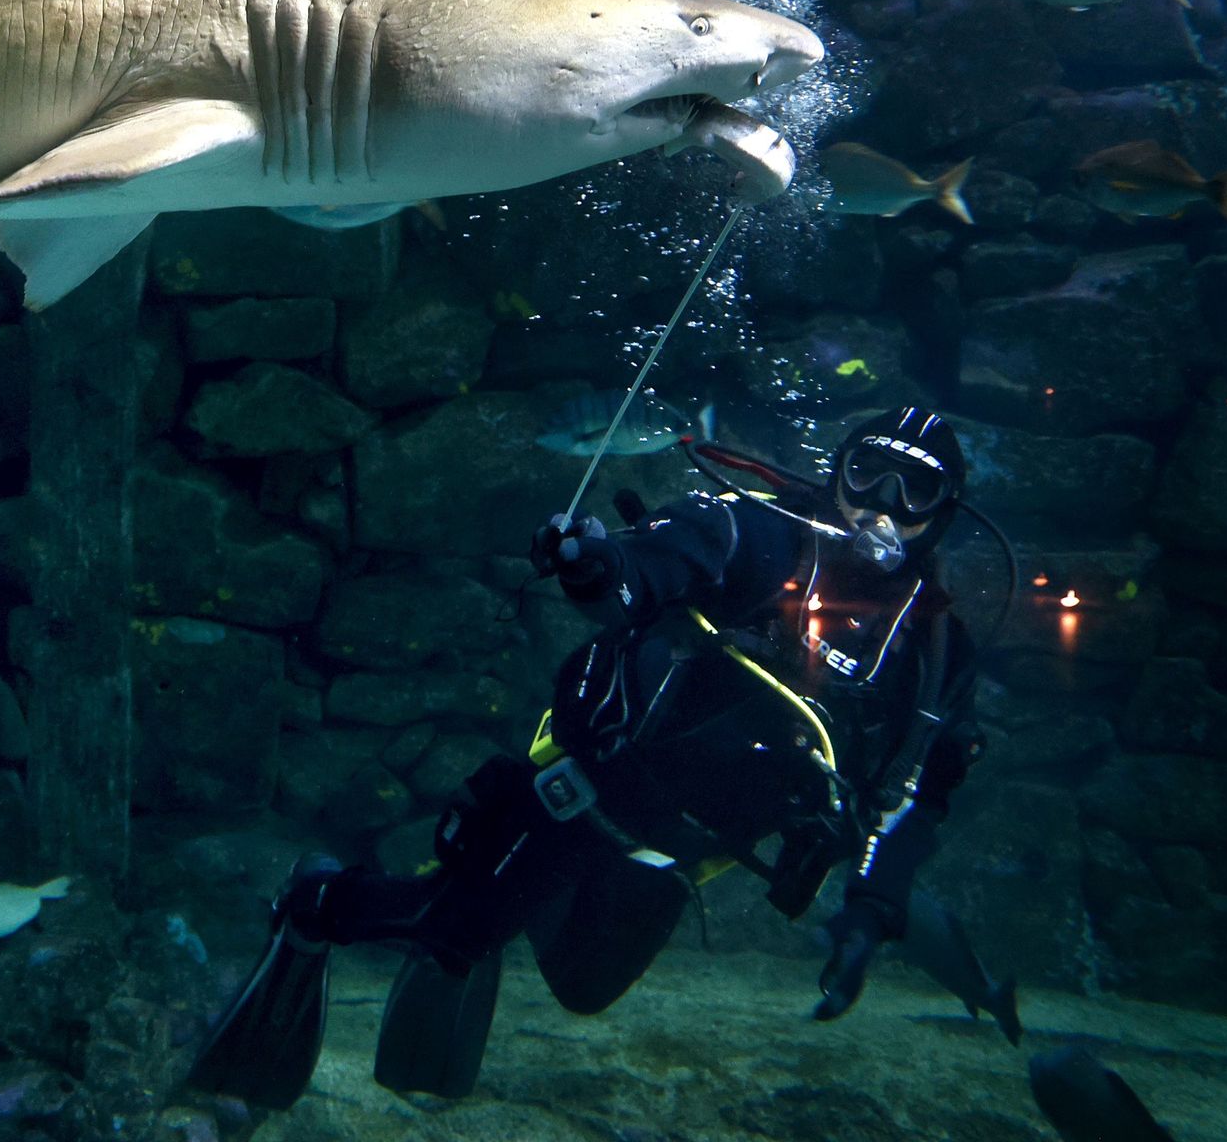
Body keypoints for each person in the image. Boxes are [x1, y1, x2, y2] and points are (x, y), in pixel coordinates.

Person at [187, 406, 1020, 1111]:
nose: (882, 504)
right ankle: (320, 904)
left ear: (942, 517)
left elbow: (918, 797)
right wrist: (593, 561)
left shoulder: (935, 654)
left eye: (915, 493)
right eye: (869, 473)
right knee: (446, 927)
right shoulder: (759, 535)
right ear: (836, 471)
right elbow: (645, 567)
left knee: (585, 989)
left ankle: (489, 905)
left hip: (674, 858)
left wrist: (870, 916)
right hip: (580, 796)